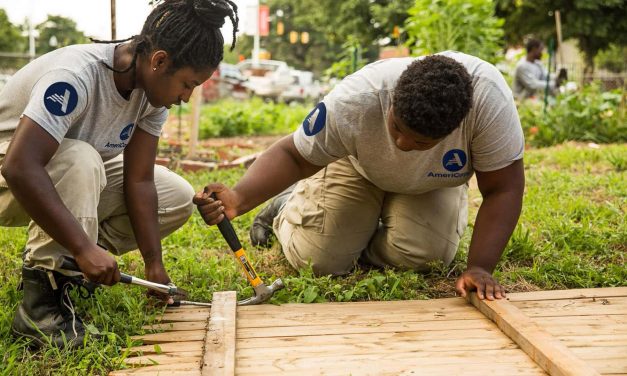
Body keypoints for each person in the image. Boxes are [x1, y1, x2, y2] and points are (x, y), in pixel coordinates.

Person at [194, 51, 525, 302]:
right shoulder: (358, 98)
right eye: (396, 127)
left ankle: (357, 230)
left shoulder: (488, 105)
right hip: (356, 165)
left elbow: (503, 189)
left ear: (455, 128)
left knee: (425, 256)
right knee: (321, 259)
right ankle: (285, 209)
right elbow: (294, 155)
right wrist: (238, 199)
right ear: (392, 100)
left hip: (431, 181)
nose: (401, 144)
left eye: (420, 142)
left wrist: (480, 267)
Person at [0, 0, 238, 349]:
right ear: (159, 61)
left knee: (174, 194)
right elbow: (19, 166)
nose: (187, 97)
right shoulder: (76, 76)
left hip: (62, 173)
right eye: (187, 84)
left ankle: (72, 272)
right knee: (82, 158)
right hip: (11, 177)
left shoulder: (151, 95)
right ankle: (39, 307)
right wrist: (83, 246)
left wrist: (154, 266)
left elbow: (139, 180)